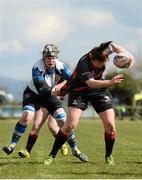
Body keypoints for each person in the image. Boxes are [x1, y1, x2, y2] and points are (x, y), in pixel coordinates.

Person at [44, 41, 134, 165]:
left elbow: (115, 47)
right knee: (70, 125)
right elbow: (91, 83)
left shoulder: (102, 52)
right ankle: (51, 155)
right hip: (79, 92)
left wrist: (129, 56)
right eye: (99, 64)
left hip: (99, 92)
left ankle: (109, 156)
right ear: (93, 59)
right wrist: (110, 82)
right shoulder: (84, 64)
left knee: (110, 125)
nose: (101, 65)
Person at [2, 44, 88, 162]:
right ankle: (12, 145)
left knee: (63, 121)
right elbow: (42, 90)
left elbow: (73, 79)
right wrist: (59, 92)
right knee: (27, 116)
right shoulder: (37, 67)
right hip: (34, 95)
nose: (51, 61)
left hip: (51, 95)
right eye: (48, 58)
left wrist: (62, 89)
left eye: (53, 58)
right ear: (43, 58)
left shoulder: (60, 66)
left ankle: (75, 149)